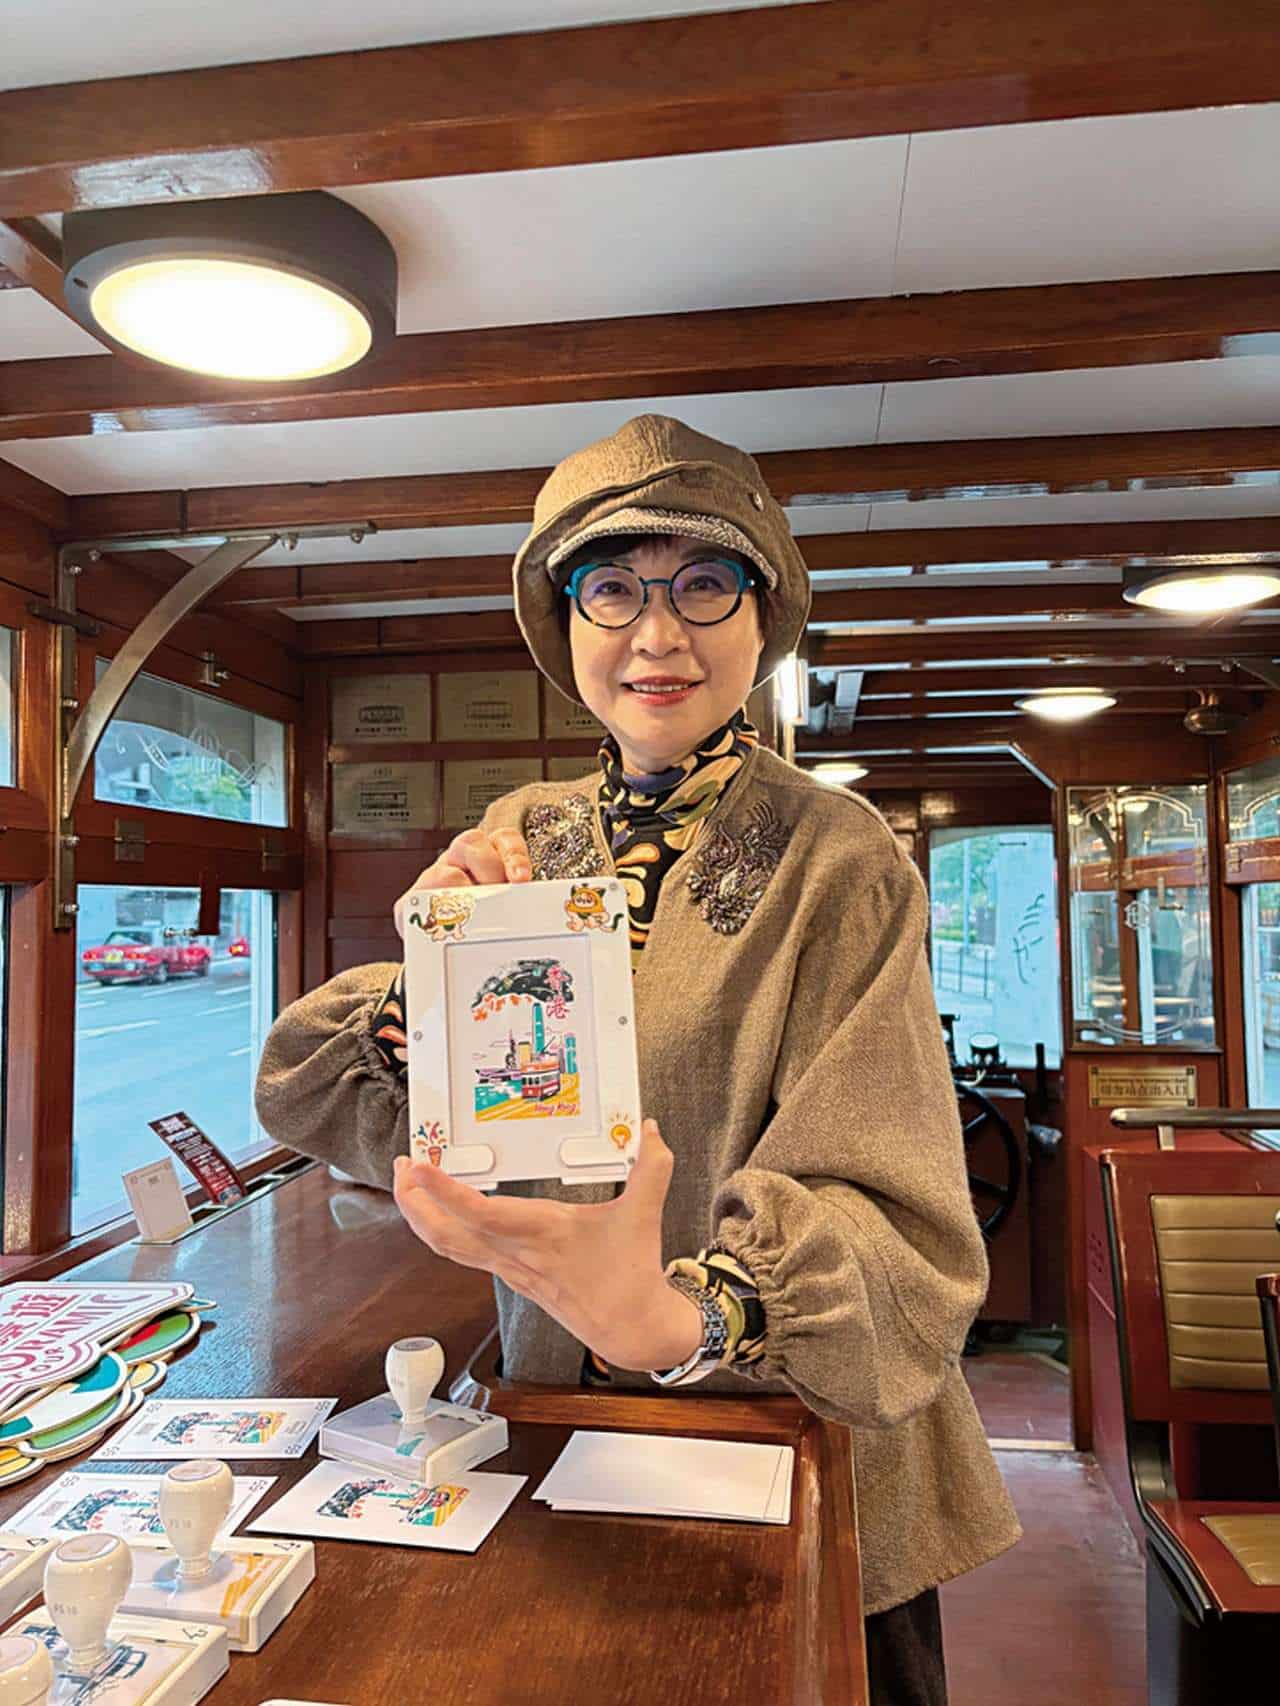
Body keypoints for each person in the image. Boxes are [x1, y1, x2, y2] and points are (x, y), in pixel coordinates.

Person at [256, 414, 1020, 1704]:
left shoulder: (838, 854)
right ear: (565, 623)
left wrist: (678, 1316)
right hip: (559, 1407)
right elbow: (351, 1108)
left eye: (704, 584)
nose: (657, 635)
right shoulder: (522, 834)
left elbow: (890, 1205)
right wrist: (425, 988)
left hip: (795, 1416)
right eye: (611, 588)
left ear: (763, 618)